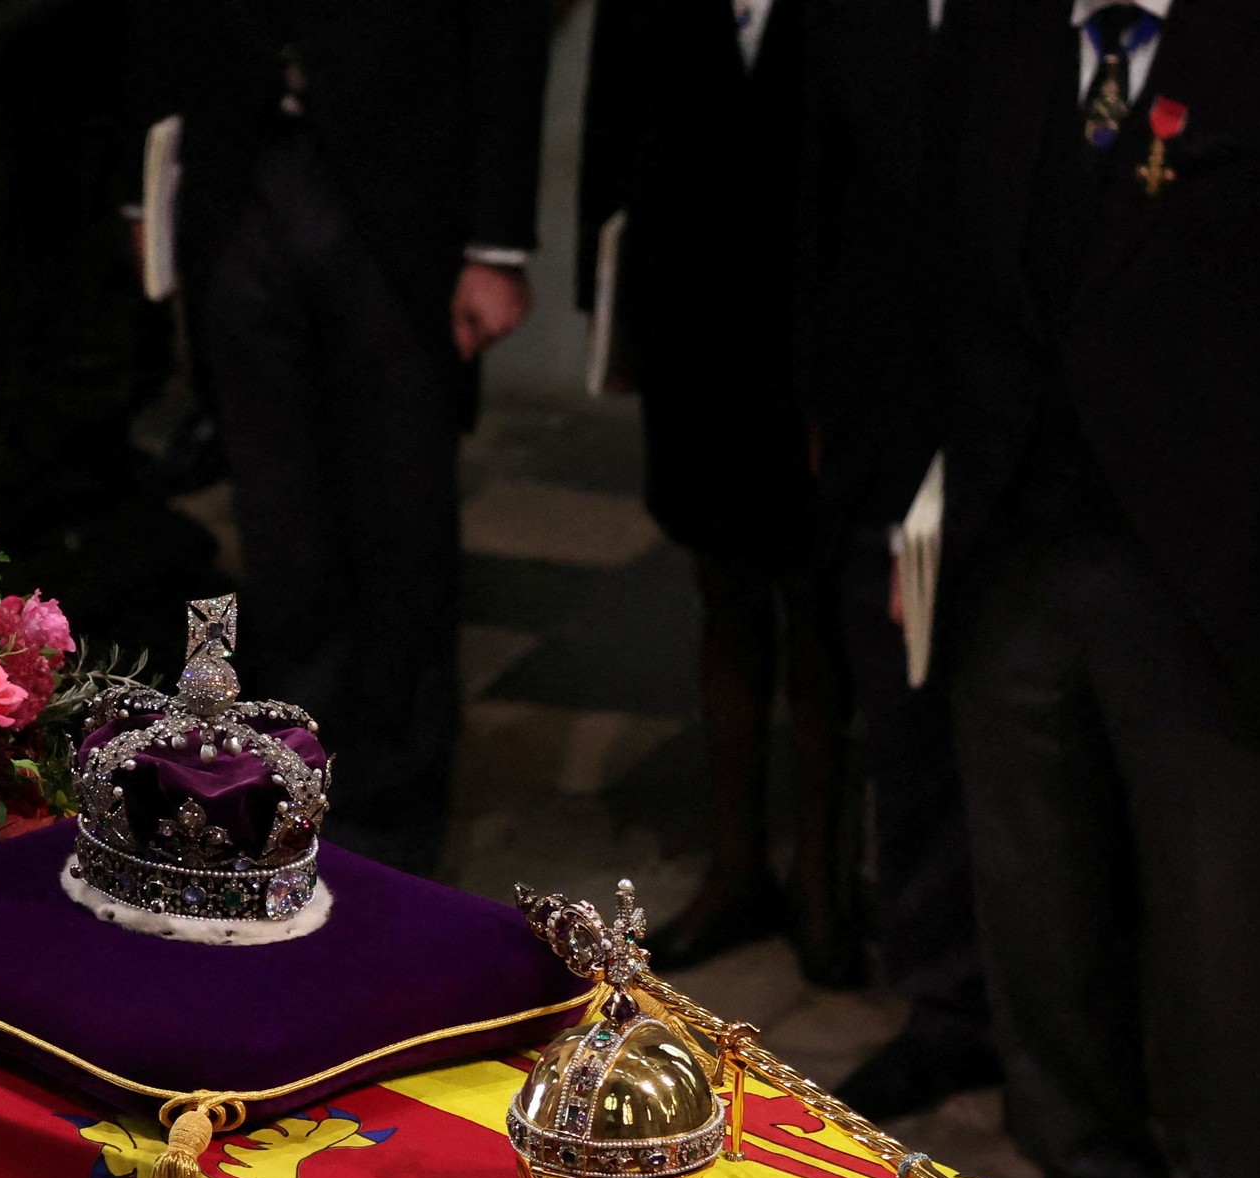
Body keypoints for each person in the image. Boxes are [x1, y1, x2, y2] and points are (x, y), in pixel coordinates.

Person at [927, 0, 1260, 1178]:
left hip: (1211, 577)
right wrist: (912, 517)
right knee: (1036, 907)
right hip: (1009, 555)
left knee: (1221, 927)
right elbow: (933, 277)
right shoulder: (998, 32)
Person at [127, 1, 554, 875]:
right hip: (232, 186)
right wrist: (144, 189)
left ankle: (396, 817)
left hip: (400, 201)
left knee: (400, 522)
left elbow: (505, 38)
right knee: (277, 524)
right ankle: (286, 791)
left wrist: (497, 246)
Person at [578, 0, 861, 980]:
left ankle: (829, 876)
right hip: (690, 308)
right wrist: (603, 308)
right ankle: (735, 866)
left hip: (823, 324)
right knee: (724, 599)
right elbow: (610, 115)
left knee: (824, 613)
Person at [798, 0, 1000, 1119]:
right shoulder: (858, 21)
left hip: (1029, 428)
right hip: (881, 419)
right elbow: (818, 210)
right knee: (905, 725)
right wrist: (823, 397)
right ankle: (945, 1004)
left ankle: (1064, 1015)